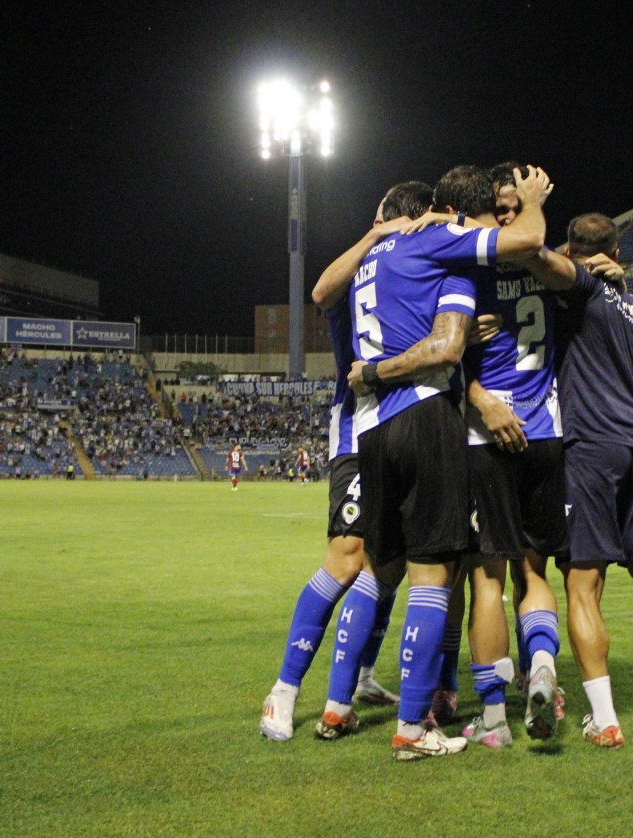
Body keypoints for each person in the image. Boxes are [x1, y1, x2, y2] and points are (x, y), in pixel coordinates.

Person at [342, 164, 551, 761]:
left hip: (396, 426)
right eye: (499, 208)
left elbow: (326, 290)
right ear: (480, 209)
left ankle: (360, 699)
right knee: (466, 572)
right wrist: (534, 204)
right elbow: (530, 248)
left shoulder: (400, 256)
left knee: (398, 568)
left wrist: (376, 371)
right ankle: (439, 716)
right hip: (469, 425)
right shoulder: (465, 250)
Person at [400, 161, 568, 748]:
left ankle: (494, 718)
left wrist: (480, 400)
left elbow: (445, 350)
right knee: (534, 571)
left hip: (486, 435)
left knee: (486, 579)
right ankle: (542, 668)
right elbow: (576, 271)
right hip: (546, 430)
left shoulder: (469, 266)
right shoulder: (547, 266)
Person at [519, 207, 633, 749]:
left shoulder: (583, 286)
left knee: (582, 584)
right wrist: (630, 287)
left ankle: (606, 719)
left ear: (577, 252)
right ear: (618, 253)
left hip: (592, 450)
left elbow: (531, 252)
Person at [259, 182, 427, 743]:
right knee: (346, 557)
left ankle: (359, 677)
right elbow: (320, 290)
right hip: (358, 431)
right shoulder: (360, 269)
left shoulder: (412, 266)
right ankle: (282, 693)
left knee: (391, 563)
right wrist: (376, 232)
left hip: (405, 429)